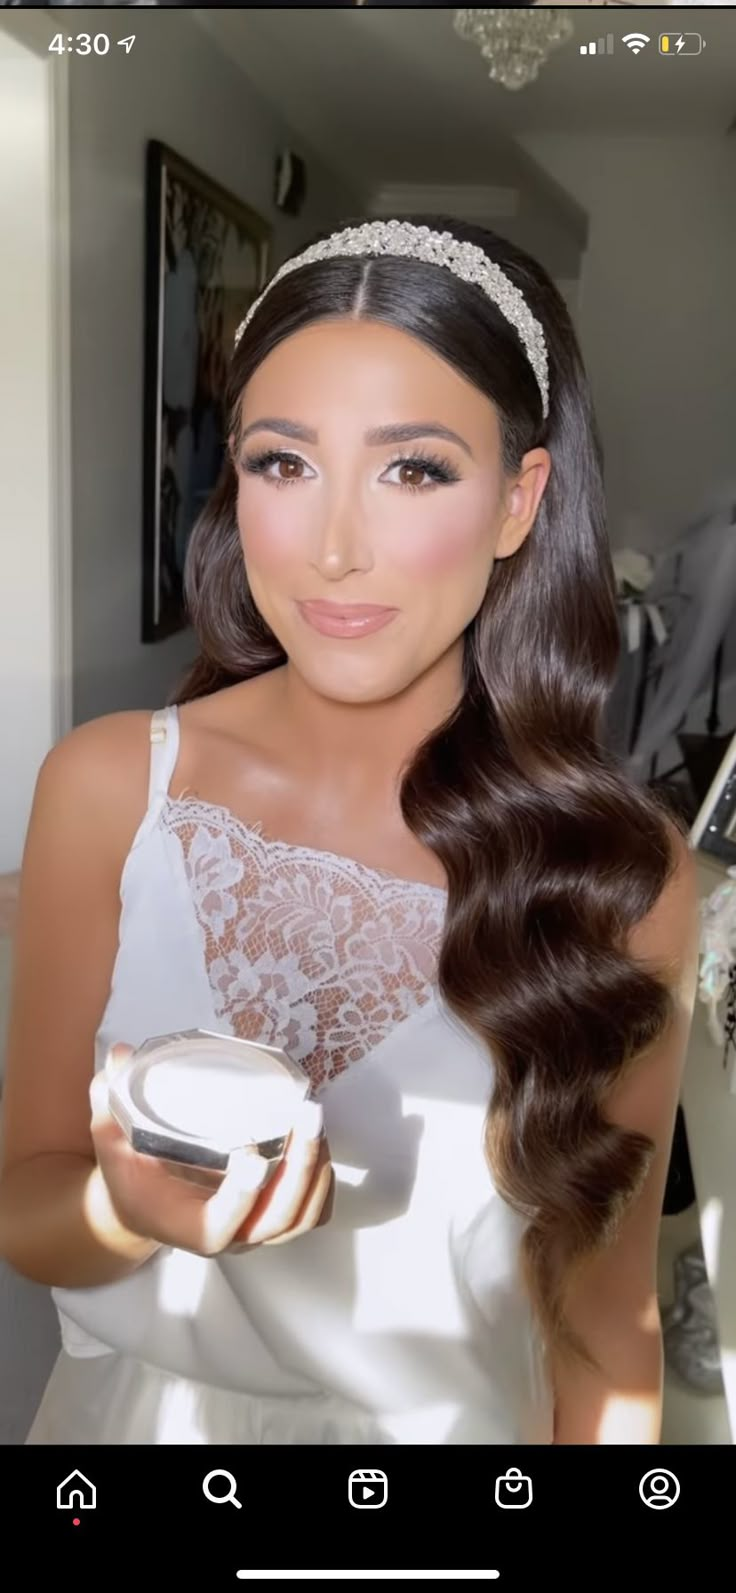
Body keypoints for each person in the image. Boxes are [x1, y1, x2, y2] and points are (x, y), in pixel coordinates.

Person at [0, 214, 699, 1445]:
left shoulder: (620, 880)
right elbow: (27, 1204)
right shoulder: (109, 789)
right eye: (283, 462)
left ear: (516, 500)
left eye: (413, 469)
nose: (332, 548)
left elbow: (604, 1317)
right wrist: (129, 1209)